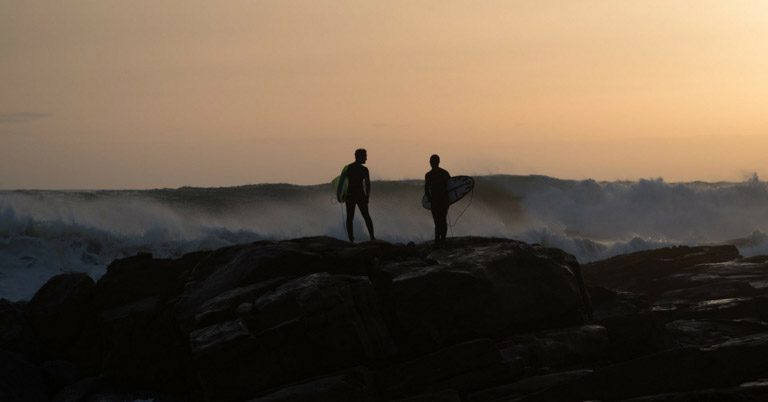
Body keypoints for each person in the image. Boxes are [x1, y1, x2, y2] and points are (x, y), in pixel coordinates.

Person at [337, 148, 375, 242]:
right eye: (364, 156)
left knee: (350, 217)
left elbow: (340, 183)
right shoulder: (364, 170)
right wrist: (367, 196)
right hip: (360, 196)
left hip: (350, 195)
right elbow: (367, 184)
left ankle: (351, 239)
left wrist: (339, 195)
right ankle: (372, 238)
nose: (366, 158)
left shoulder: (348, 168)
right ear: (359, 157)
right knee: (366, 216)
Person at [425, 154, 451, 243]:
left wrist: (430, 199)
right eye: (431, 161)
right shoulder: (444, 173)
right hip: (442, 201)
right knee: (442, 220)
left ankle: (439, 240)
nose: (431, 163)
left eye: (432, 161)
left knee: (438, 221)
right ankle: (441, 240)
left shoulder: (428, 175)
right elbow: (451, 187)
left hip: (437, 201)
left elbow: (426, 190)